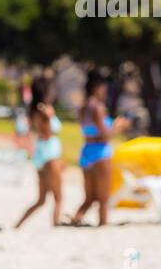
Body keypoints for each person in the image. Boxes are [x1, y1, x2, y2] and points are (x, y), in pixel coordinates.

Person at [71, 71, 129, 226]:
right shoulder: (97, 107)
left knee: (89, 197)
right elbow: (105, 135)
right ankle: (103, 224)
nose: (105, 90)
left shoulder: (83, 107)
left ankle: (76, 219)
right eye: (104, 87)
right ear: (97, 87)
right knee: (103, 198)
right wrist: (118, 125)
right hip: (100, 153)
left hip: (86, 152)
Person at [15, 98, 64, 228]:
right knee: (58, 197)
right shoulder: (46, 114)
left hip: (40, 155)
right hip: (50, 155)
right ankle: (56, 224)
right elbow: (49, 125)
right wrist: (48, 112)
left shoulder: (36, 115)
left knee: (41, 200)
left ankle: (18, 224)